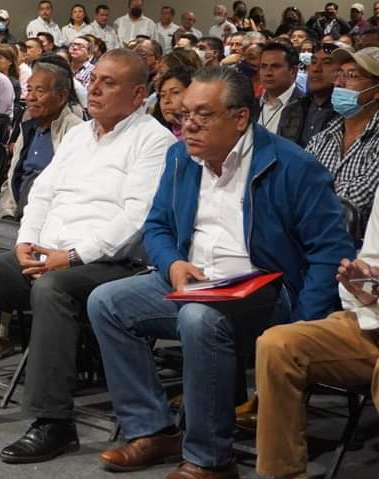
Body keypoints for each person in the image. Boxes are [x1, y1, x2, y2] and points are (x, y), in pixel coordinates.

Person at [88, 66, 353, 479]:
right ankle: (153, 430)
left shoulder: (293, 165)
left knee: (199, 318)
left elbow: (329, 252)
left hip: (267, 291)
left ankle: (209, 458)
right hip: (195, 281)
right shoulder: (181, 157)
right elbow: (157, 226)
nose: (188, 124)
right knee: (107, 302)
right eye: (185, 113)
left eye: (203, 114)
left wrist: (303, 328)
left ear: (240, 117)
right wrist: (173, 263)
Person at [0, 49, 173, 465]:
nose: (94, 88)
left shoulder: (154, 140)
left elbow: (135, 219)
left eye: (109, 83)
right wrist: (26, 241)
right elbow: (42, 194)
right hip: (48, 252)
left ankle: (53, 421)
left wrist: (70, 256)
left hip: (111, 263)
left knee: (52, 289)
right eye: (94, 79)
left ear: (138, 94)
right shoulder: (79, 135)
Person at [253, 191, 379, 478]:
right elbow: (371, 268)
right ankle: (283, 473)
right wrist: (362, 286)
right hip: (369, 322)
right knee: (277, 345)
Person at [0, 59, 84, 221]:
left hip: (48, 223)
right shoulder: (28, 129)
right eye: (29, 90)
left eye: (40, 91)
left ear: (61, 96)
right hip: (13, 219)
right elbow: (10, 182)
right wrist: (6, 215)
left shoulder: (76, 132)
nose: (31, 97)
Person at [305, 46, 379, 226]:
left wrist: (312, 191)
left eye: (352, 75)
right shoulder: (323, 137)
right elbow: (294, 185)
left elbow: (359, 199)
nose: (339, 83)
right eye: (339, 74)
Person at [257, 42, 304, 137]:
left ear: (293, 71)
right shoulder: (252, 104)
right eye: (264, 66)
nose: (268, 73)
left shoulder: (305, 106)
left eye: (276, 66)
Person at [153, 66, 192, 140]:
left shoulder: (203, 137)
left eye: (175, 92)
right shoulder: (155, 135)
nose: (166, 100)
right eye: (162, 95)